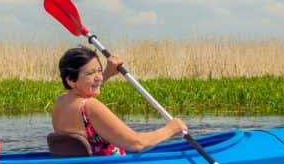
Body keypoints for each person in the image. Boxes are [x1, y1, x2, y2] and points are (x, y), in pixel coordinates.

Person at [50, 46, 187, 155]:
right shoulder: (90, 106)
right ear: (70, 80)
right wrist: (170, 129)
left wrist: (108, 73)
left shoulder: (61, 101)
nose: (98, 77)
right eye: (91, 73)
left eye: (99, 70)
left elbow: (84, 91)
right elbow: (136, 144)